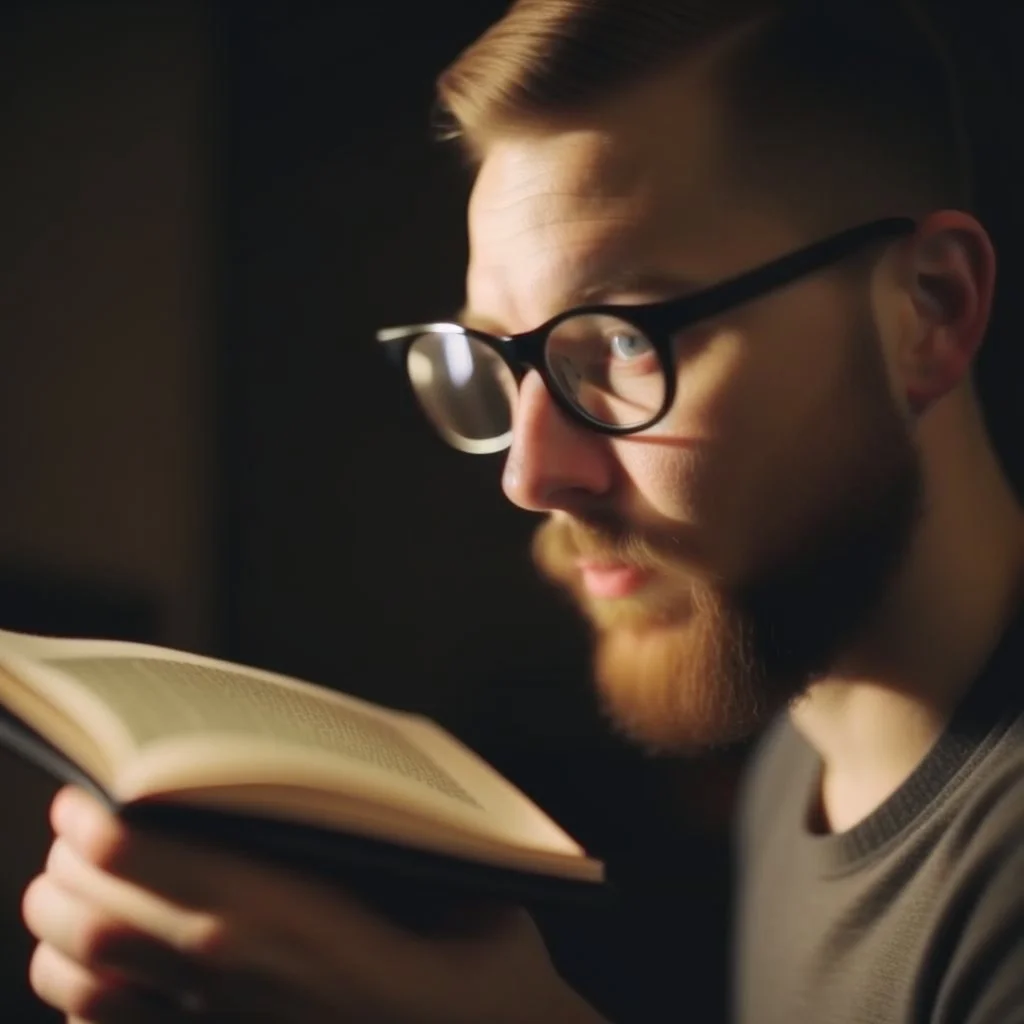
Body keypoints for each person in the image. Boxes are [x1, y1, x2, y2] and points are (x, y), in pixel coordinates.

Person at [22, 0, 1024, 1021]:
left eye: (626, 342)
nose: (529, 476)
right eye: (494, 357)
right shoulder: (793, 753)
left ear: (928, 312)